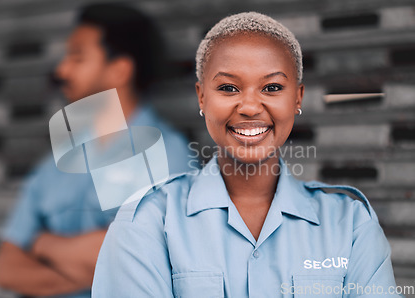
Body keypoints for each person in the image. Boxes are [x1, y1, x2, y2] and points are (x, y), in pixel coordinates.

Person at [92, 12, 400, 297]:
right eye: (228, 88)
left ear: (297, 98)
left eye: (272, 87)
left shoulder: (350, 224)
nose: (250, 107)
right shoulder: (146, 222)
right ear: (202, 97)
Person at [0, 3, 195, 298]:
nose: (62, 70)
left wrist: (42, 245)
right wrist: (98, 265)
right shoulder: (56, 161)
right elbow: (6, 268)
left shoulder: (169, 158)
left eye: (77, 57)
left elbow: (147, 262)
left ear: (119, 70)